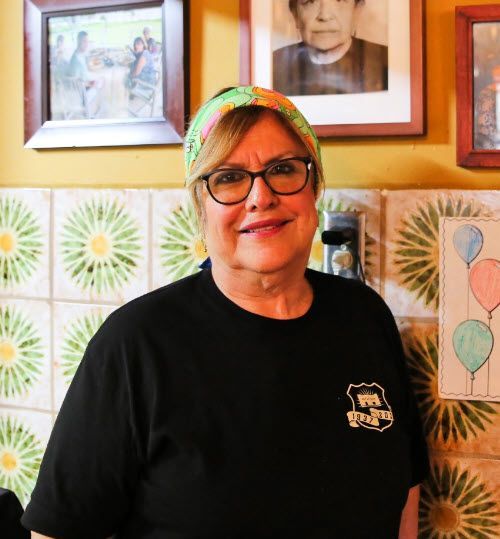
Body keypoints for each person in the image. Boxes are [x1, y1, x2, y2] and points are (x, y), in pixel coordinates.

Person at [22, 86, 428, 538]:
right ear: (201, 206)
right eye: (230, 178)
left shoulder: (364, 316)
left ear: (314, 188)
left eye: (283, 169)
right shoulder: (136, 344)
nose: (260, 196)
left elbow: (405, 494)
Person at [273, 0, 388, 95]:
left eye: (339, 0)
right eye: (310, 2)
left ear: (357, 10)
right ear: (295, 14)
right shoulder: (273, 65)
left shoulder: (387, 62)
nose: (325, 16)